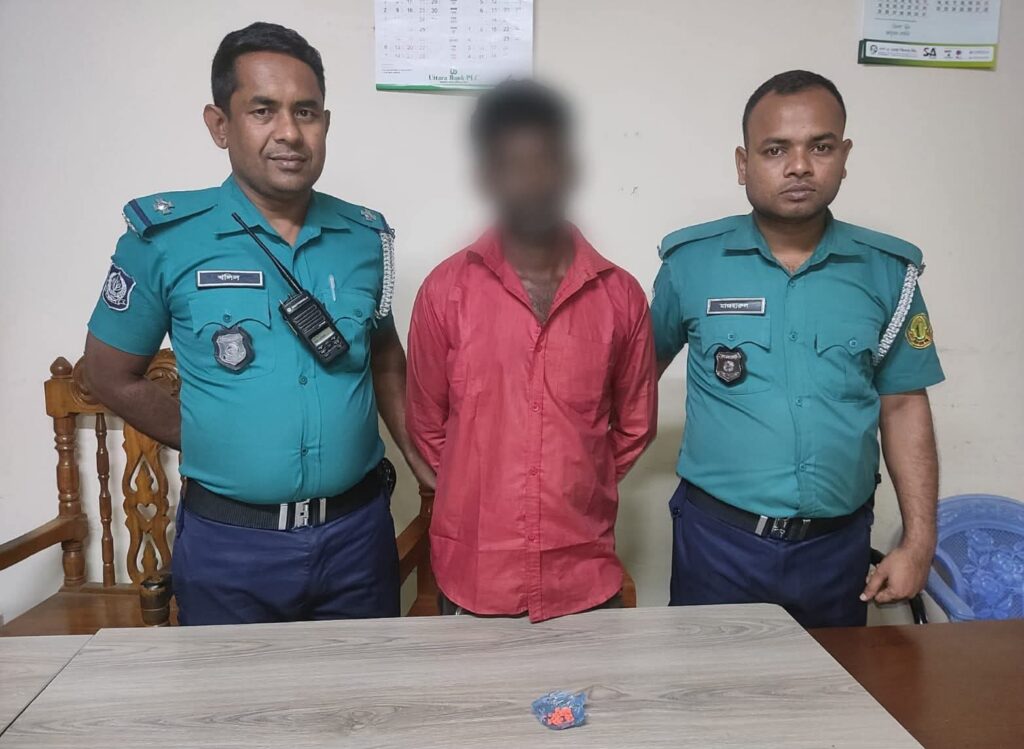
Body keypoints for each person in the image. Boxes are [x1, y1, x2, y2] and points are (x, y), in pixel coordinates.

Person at [83, 22, 433, 625]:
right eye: (263, 110)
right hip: (231, 547)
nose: (289, 132)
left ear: (326, 123)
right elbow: (107, 374)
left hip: (356, 537)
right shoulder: (164, 240)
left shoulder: (364, 239)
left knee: (366, 686)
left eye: (307, 112)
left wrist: (422, 457)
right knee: (231, 689)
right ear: (220, 125)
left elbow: (384, 358)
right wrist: (214, 439)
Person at [651, 70, 944, 628]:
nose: (800, 166)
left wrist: (918, 543)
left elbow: (905, 405)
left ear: (845, 156)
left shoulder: (888, 273)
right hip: (717, 545)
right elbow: (632, 379)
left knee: (831, 683)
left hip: (836, 550)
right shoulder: (691, 264)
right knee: (706, 681)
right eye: (775, 149)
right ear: (743, 164)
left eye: (821, 147)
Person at [406, 80, 657, 622]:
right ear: (486, 176)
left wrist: (574, 482)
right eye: (510, 165)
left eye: (544, 161)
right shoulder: (444, 291)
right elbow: (426, 428)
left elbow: (635, 427)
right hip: (475, 576)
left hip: (583, 576)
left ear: (569, 169)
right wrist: (483, 487)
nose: (530, 182)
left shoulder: (622, 296)